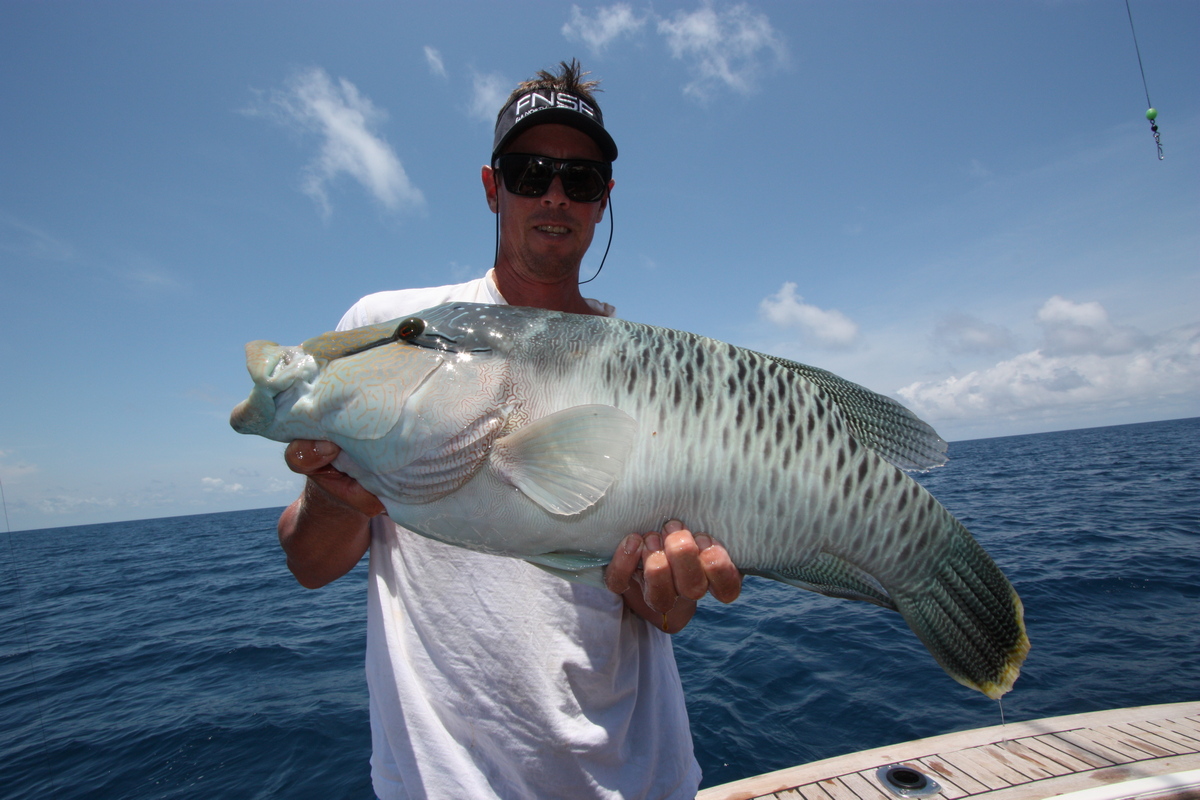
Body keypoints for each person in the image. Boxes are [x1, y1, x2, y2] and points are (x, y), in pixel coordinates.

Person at [277, 60, 743, 800]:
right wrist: (335, 495)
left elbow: (649, 608)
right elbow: (309, 563)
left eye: (580, 180)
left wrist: (665, 593)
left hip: (638, 776)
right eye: (530, 173)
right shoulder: (389, 334)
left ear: (603, 202)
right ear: (493, 187)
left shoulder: (654, 375)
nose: (555, 195)